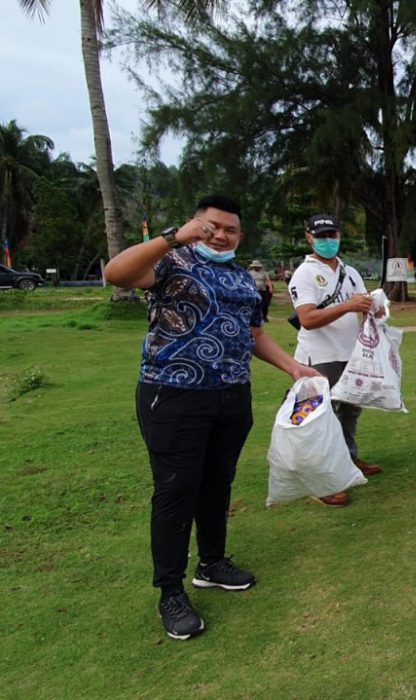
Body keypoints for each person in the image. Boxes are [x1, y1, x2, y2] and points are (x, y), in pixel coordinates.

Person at [104, 195, 320, 642]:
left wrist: (292, 367)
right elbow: (115, 274)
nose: (220, 235)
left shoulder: (243, 279)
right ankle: (170, 592)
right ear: (194, 224)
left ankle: (212, 562)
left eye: (231, 230)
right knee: (176, 490)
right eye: (212, 226)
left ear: (240, 236)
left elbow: (254, 332)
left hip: (230, 395)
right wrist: (171, 238)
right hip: (174, 393)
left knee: (218, 481)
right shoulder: (170, 260)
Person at [288, 214, 383, 508]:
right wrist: (350, 305)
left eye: (333, 234)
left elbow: (360, 304)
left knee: (351, 410)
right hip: (319, 357)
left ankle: (349, 460)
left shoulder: (349, 271)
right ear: (309, 237)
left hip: (350, 354)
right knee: (319, 418)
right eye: (322, 235)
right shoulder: (304, 274)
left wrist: (373, 308)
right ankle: (320, 481)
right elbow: (308, 318)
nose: (328, 240)